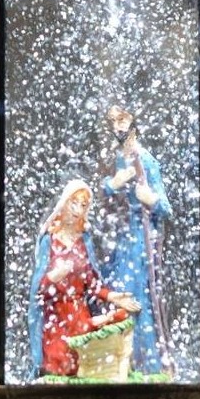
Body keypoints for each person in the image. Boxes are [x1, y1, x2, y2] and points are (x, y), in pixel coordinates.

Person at [27, 180, 139, 379]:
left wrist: (112, 296)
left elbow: (92, 282)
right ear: (64, 203)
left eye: (83, 205)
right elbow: (38, 290)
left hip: (80, 316)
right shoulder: (49, 241)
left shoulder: (83, 241)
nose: (77, 210)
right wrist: (53, 277)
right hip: (56, 320)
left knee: (86, 366)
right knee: (60, 369)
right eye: (74, 203)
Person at [100, 105, 173, 377]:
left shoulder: (146, 161)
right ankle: (115, 361)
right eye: (113, 121)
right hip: (118, 238)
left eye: (122, 120)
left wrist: (150, 199)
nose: (118, 126)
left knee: (136, 294)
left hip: (140, 241)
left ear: (132, 122)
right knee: (116, 291)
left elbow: (165, 207)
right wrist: (112, 184)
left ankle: (144, 362)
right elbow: (101, 194)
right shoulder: (115, 159)